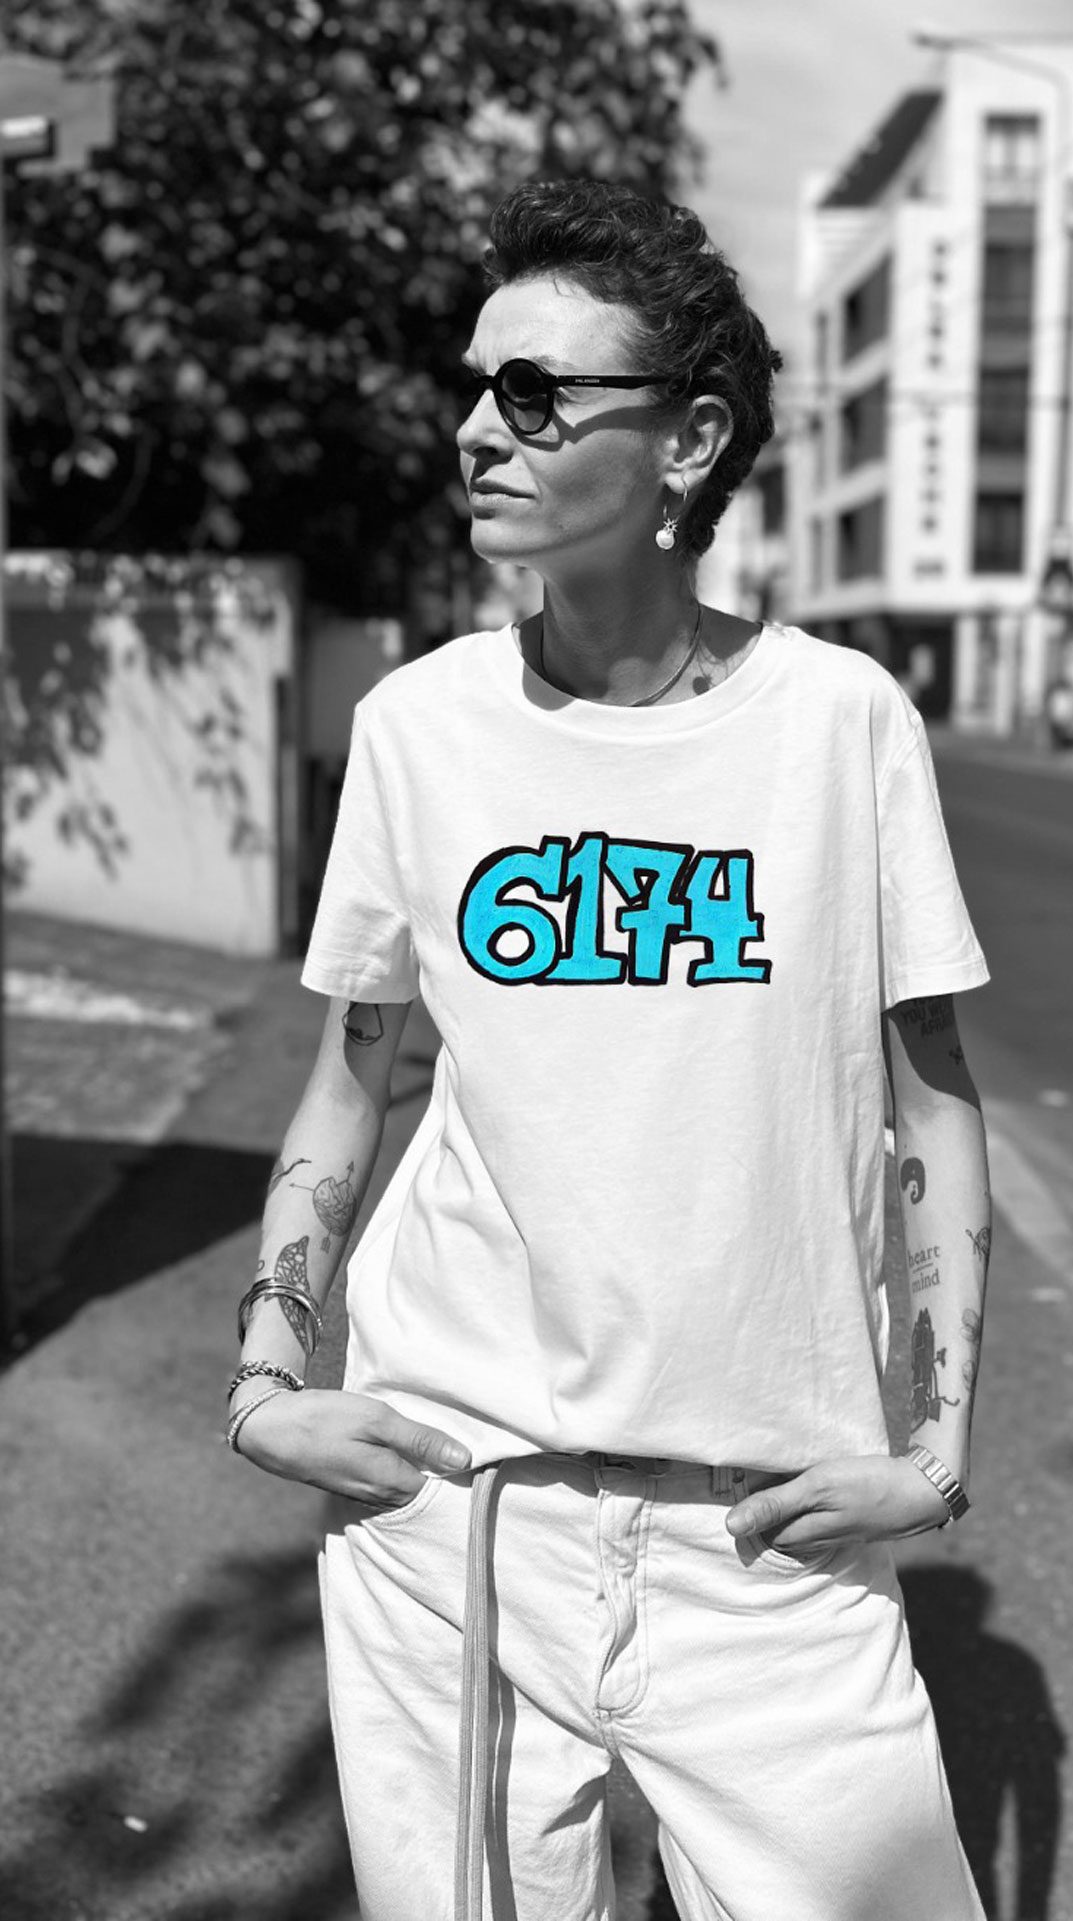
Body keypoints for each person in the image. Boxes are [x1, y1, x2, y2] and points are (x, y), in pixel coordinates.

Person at [227, 178, 992, 1921]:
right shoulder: (417, 729)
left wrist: (938, 1453)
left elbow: (933, 1106)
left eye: (535, 392)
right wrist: (268, 1381)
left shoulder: (841, 727)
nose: (476, 428)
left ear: (688, 444)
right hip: (460, 1521)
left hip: (767, 1538)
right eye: (476, 385)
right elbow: (351, 1082)